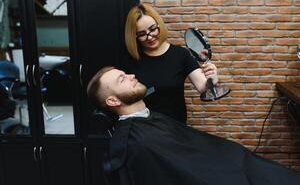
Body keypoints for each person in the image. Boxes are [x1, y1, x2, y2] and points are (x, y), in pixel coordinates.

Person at [87, 66, 300, 185]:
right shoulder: (137, 142)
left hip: (240, 164)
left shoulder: (151, 120)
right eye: (122, 79)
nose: (132, 75)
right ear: (113, 101)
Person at [120, 3, 218, 123]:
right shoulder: (129, 61)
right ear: (134, 36)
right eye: (142, 34)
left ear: (159, 25)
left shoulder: (180, 55)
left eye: (152, 29)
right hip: (143, 130)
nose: (149, 37)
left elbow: (204, 88)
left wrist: (211, 79)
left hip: (175, 129)